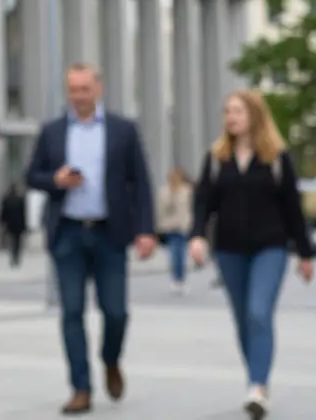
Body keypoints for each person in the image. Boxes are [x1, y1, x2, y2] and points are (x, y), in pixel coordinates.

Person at [25, 62, 157, 415]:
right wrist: (57, 179)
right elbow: (32, 176)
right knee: (71, 312)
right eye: (73, 90)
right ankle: (80, 388)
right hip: (67, 231)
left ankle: (110, 359)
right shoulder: (52, 131)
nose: (79, 96)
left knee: (116, 312)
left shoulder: (122, 130)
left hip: (109, 233)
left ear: (98, 89)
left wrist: (146, 230)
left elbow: (141, 183)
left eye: (84, 89)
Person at [188, 90, 313, 419]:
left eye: (238, 112)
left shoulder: (276, 158)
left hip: (270, 248)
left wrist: (305, 254)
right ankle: (258, 380)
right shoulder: (217, 158)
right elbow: (203, 201)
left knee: (259, 312)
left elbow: (292, 209)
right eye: (228, 112)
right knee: (243, 319)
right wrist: (197, 236)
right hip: (229, 250)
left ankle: (256, 385)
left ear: (255, 116)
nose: (231, 118)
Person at [156, 167, 194, 295]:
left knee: (181, 254)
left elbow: (190, 208)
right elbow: (162, 209)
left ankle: (181, 279)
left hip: (183, 227)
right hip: (170, 227)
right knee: (173, 254)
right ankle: (175, 279)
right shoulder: (164, 191)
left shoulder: (187, 190)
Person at [0, 182, 28, 268]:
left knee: (11, 240)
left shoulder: (6, 199)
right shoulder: (20, 199)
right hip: (18, 223)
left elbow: (3, 212)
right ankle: (16, 256)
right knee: (17, 241)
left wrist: (2, 221)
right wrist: (25, 225)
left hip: (9, 223)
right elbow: (23, 213)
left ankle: (12, 256)